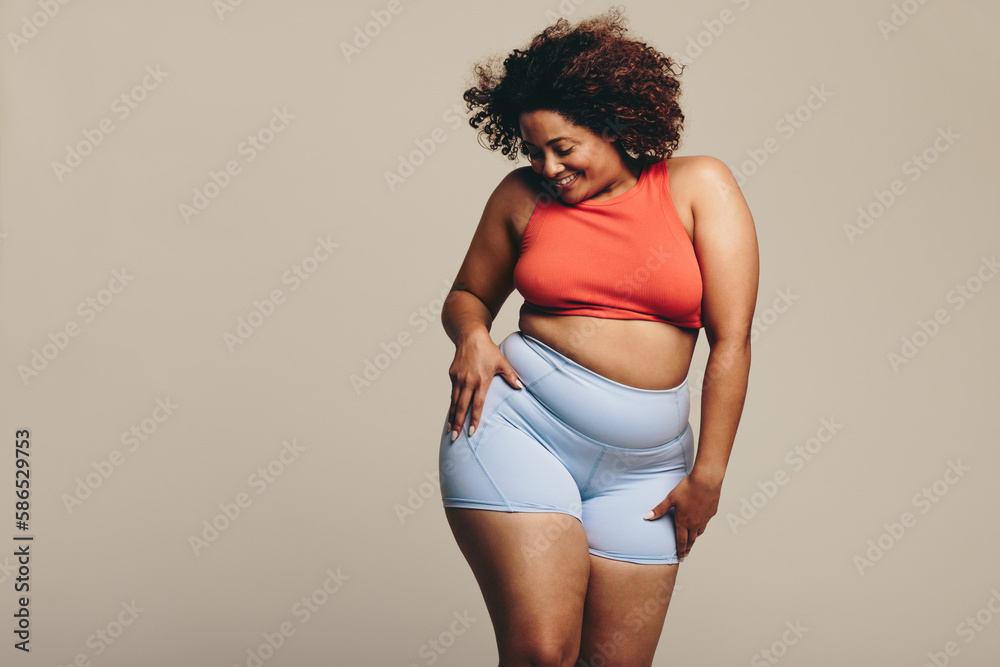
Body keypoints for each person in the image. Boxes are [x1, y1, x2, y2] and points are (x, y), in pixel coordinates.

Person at [437, 7, 759, 667]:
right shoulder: (521, 198)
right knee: (543, 653)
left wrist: (711, 474)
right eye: (533, 150)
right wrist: (471, 334)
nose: (548, 166)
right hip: (519, 431)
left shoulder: (698, 186)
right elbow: (467, 295)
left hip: (646, 471)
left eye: (563, 147)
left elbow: (732, 340)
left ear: (614, 125)